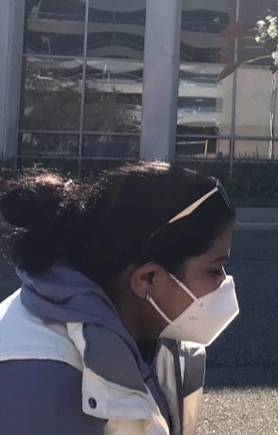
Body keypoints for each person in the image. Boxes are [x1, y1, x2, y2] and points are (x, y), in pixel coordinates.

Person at [0, 162, 239, 435]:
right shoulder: (41, 387)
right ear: (146, 278)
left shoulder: (156, 339)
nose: (224, 281)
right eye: (214, 269)